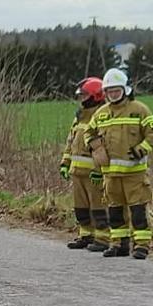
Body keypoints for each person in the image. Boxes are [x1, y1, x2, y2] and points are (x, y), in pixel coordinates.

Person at [85, 68, 153, 259]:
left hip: (134, 173)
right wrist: (95, 146)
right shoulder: (101, 114)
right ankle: (119, 244)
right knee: (115, 212)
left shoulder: (139, 110)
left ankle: (141, 246)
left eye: (116, 91)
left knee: (137, 212)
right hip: (110, 175)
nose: (113, 95)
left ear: (125, 90)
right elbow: (88, 133)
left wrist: (141, 149)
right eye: (109, 91)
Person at [62, 77, 111, 251]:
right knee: (81, 207)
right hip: (77, 172)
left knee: (98, 207)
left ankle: (103, 239)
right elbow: (71, 141)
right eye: (80, 96)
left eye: (84, 96)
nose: (81, 99)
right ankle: (85, 235)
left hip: (93, 173)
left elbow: (103, 147)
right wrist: (65, 162)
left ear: (95, 96)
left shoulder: (101, 117)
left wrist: (100, 170)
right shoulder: (79, 118)